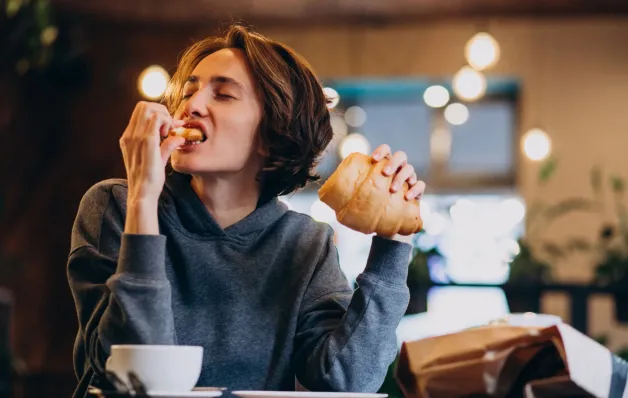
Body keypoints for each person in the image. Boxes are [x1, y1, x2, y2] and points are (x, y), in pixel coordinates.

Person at [67, 23, 426, 398]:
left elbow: (347, 379)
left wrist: (395, 243)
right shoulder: (115, 205)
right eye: (188, 92)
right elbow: (138, 376)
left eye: (222, 95)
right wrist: (143, 199)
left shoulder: (304, 242)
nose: (190, 106)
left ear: (273, 134)